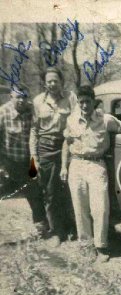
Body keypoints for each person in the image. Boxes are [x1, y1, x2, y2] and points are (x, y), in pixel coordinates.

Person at [60, 85, 121, 262]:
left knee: (100, 208)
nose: (84, 106)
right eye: (81, 102)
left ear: (93, 101)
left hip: (97, 165)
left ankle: (101, 247)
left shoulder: (105, 120)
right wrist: (64, 167)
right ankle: (86, 246)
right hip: (76, 165)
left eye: (87, 102)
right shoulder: (72, 120)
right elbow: (66, 143)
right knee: (80, 208)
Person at [30, 67, 77, 245]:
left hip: (66, 147)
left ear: (61, 82)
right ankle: (57, 232)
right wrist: (34, 157)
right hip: (46, 150)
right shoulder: (38, 102)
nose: (52, 84)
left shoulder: (70, 98)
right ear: (44, 83)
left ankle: (72, 228)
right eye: (49, 81)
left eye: (55, 80)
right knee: (50, 192)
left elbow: (77, 120)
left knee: (68, 190)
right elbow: (34, 130)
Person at [0, 86, 47, 236]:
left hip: (29, 160)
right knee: (4, 190)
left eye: (24, 97)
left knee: (35, 192)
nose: (21, 100)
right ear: (11, 97)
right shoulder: (2, 112)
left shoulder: (31, 110)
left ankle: (41, 227)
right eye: (17, 97)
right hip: (9, 161)